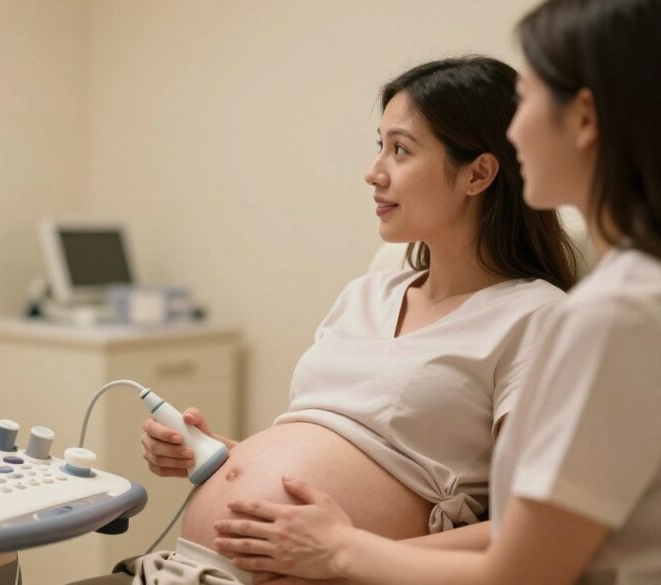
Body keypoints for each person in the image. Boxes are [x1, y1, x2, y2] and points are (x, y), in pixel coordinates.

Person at [76, 55, 579, 585]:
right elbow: (331, 452)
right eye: (379, 145)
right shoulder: (366, 294)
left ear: (477, 173)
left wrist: (346, 547)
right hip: (180, 569)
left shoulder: (534, 317)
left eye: (400, 150)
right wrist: (219, 455)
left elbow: (530, 531)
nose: (374, 171)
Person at [210, 1, 661, 583]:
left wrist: (342, 549)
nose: (515, 126)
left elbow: (521, 566)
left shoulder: (606, 315)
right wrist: (234, 461)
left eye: (527, 100)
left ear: (583, 119)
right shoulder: (618, 302)